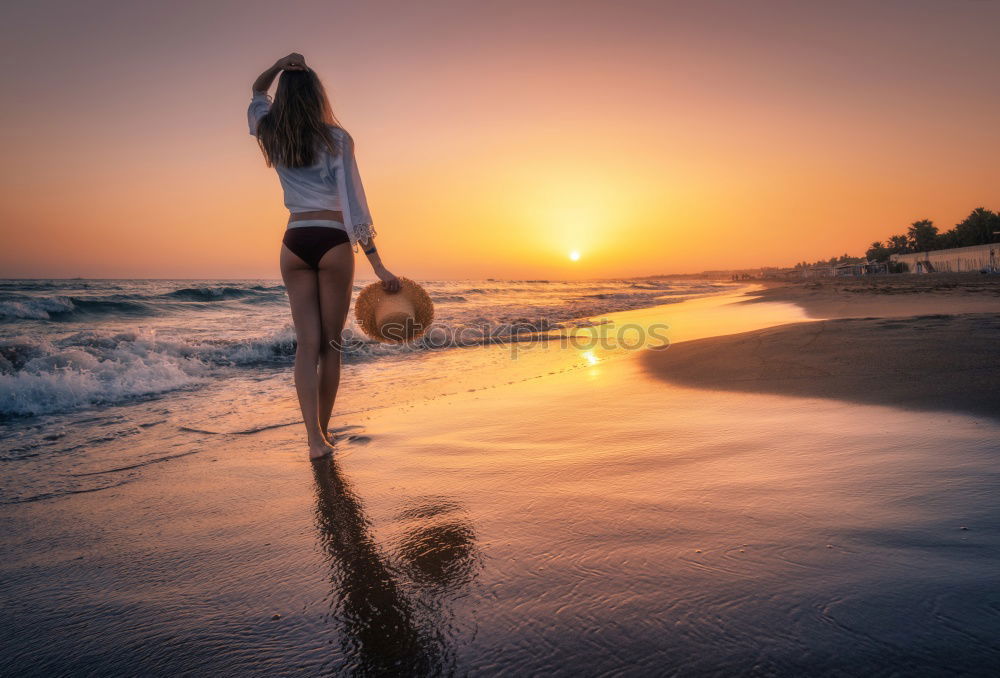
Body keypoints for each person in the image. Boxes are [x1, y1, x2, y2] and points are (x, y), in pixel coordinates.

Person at [248, 53, 400, 459]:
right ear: (318, 96)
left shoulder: (270, 132)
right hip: (332, 239)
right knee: (331, 346)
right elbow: (354, 203)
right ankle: (324, 435)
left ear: (283, 96)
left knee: (306, 346)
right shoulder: (337, 138)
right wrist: (377, 263)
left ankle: (313, 438)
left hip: (294, 239)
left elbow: (256, 90)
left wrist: (281, 64)